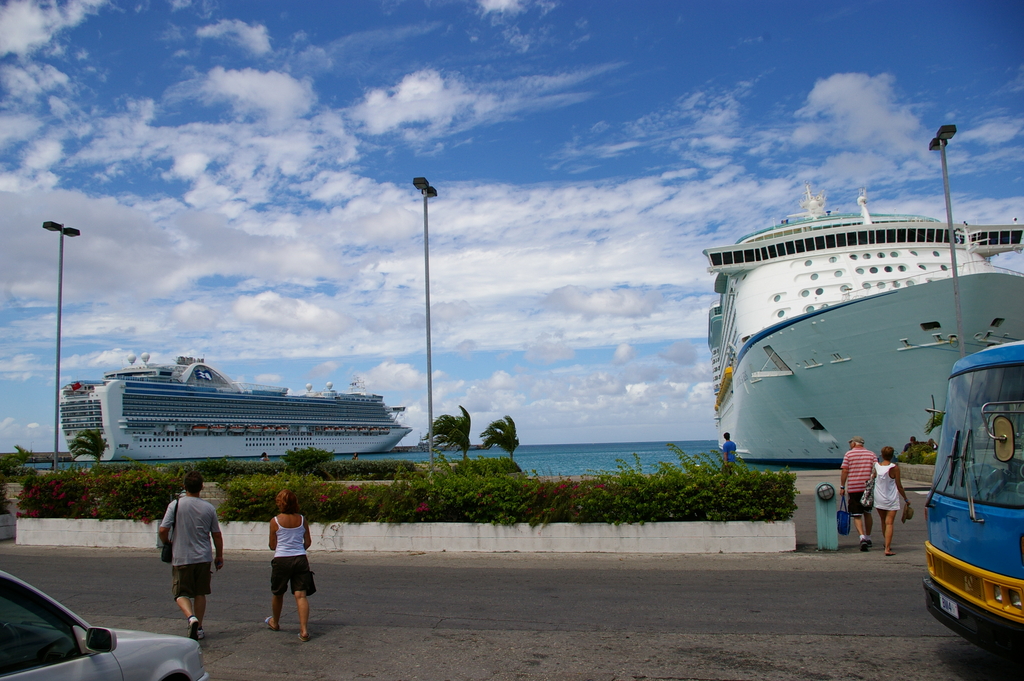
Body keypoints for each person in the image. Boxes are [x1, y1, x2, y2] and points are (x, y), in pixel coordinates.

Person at [159, 471, 224, 641]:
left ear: (184, 486)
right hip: (203, 557)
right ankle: (200, 627)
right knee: (200, 593)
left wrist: (167, 542)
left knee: (180, 593)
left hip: (182, 556)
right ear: (201, 487)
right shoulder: (209, 508)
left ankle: (190, 618)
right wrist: (219, 556)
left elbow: (163, 529)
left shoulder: (176, 505)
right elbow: (217, 534)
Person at [266, 489, 315, 642]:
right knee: (301, 595)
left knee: (278, 592)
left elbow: (272, 545)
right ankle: (304, 630)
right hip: (300, 558)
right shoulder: (302, 520)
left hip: (282, 559)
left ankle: (275, 621)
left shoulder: (275, 521)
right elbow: (307, 542)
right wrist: (298, 549)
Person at [839, 436, 878, 551]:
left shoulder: (849, 454)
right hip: (868, 489)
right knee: (868, 512)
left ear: (854, 444)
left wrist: (842, 486)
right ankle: (868, 537)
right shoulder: (871, 454)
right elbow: (876, 469)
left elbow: (845, 470)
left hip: (854, 488)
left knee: (857, 515)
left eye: (851, 443)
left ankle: (862, 537)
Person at [871, 446, 910, 556]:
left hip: (879, 497)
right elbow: (899, 485)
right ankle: (887, 548)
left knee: (883, 521)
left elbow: (873, 477)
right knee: (890, 523)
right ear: (892, 455)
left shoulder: (877, 466)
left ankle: (885, 543)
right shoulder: (894, 468)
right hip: (891, 498)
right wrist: (905, 498)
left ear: (882, 455)